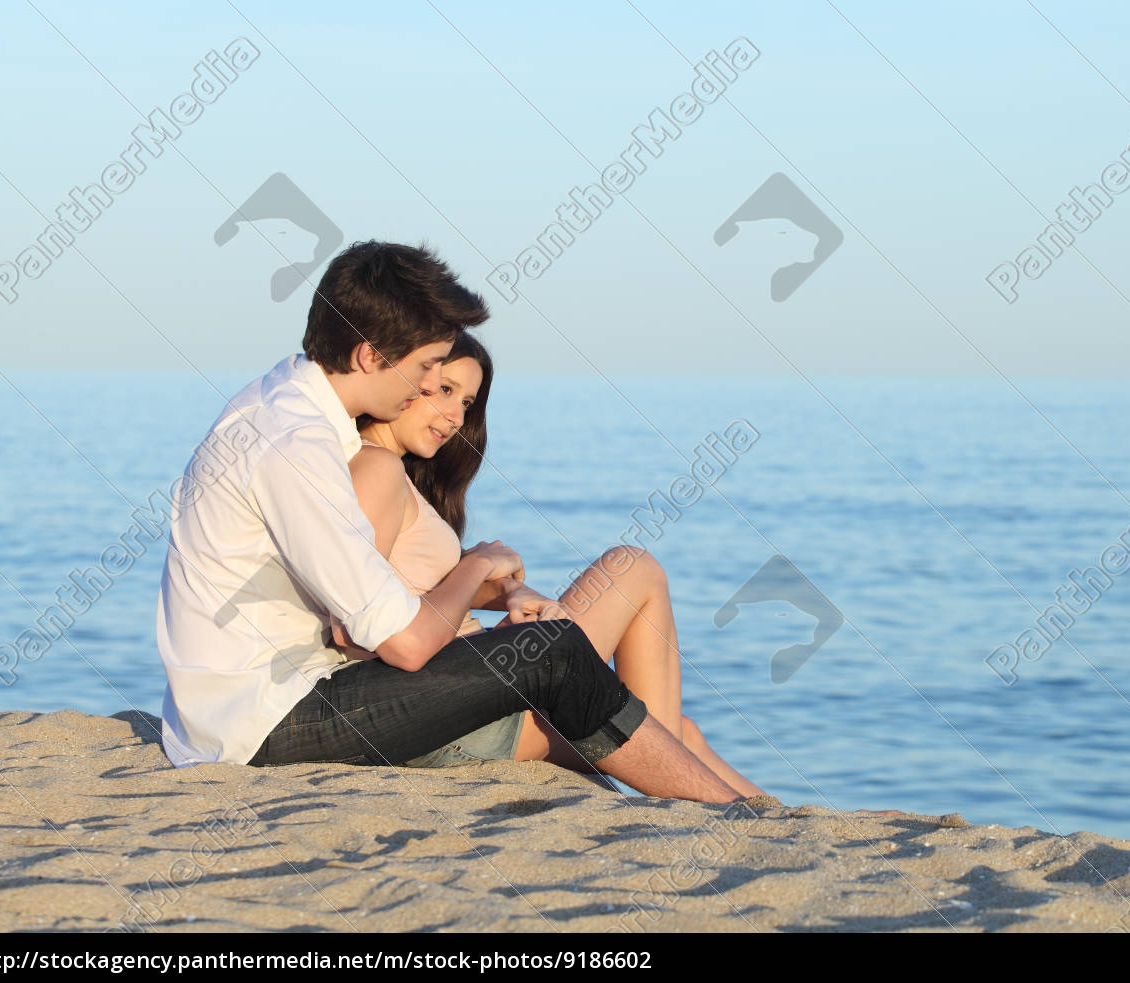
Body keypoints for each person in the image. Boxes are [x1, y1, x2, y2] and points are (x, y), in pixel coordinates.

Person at [155, 239, 743, 803]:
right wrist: (479, 565)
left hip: (247, 711)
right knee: (551, 651)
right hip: (266, 724)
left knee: (565, 660)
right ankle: (733, 817)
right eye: (428, 368)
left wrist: (485, 592)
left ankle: (722, 806)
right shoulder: (294, 446)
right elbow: (404, 644)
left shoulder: (282, 403)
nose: (426, 391)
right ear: (369, 356)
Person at [339, 330, 766, 797]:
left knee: (683, 732)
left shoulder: (395, 475)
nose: (456, 416)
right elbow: (357, 622)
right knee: (633, 568)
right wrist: (477, 572)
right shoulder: (376, 469)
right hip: (454, 713)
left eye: (467, 402)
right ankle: (666, 775)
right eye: (444, 389)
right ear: (411, 374)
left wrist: (507, 593)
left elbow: (408, 586)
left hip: (465, 691)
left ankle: (768, 817)